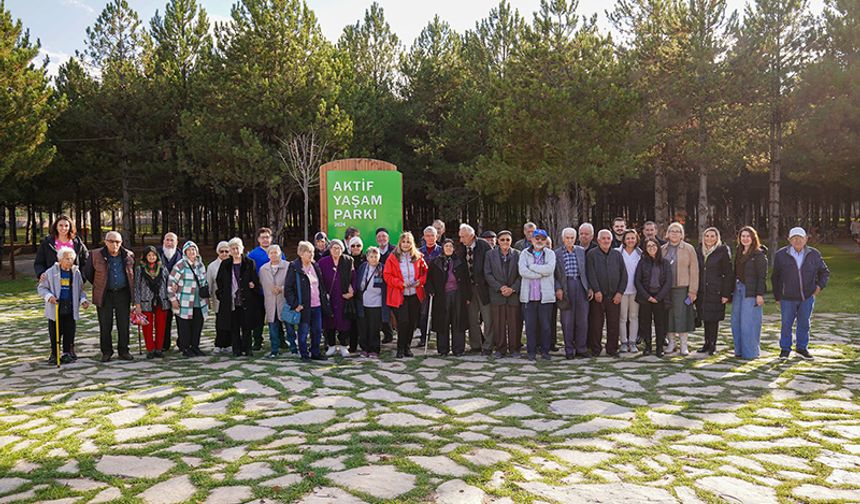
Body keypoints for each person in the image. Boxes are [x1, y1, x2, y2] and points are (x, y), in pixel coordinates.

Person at [772, 226, 830, 360]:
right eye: (794, 238)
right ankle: (785, 349)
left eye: (800, 238)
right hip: (787, 297)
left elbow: (824, 272)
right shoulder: (781, 254)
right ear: (789, 240)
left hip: (807, 296)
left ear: (806, 239)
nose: (797, 240)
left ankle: (801, 348)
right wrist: (777, 296)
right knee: (786, 323)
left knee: (804, 323)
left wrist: (819, 287)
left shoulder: (814, 254)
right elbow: (775, 277)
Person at [84, 231, 135, 363]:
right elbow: (89, 273)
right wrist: (100, 285)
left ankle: (124, 351)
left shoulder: (128, 255)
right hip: (104, 294)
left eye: (117, 242)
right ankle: (106, 352)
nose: (114, 244)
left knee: (123, 324)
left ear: (121, 243)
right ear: (105, 242)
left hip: (123, 293)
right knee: (105, 325)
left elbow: (132, 273)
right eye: (111, 241)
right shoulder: (95, 255)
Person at [37, 247, 89, 364]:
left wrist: (83, 300)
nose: (70, 261)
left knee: (69, 331)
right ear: (60, 260)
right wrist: (49, 297)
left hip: (70, 306)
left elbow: (80, 290)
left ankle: (66, 353)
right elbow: (42, 288)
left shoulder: (76, 273)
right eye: (67, 259)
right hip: (56, 307)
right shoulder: (50, 272)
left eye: (72, 259)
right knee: (55, 331)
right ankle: (54, 354)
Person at [285, 241, 331, 361]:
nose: (311, 254)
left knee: (317, 331)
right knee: (303, 332)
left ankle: (315, 352)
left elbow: (320, 284)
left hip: (317, 305)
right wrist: (295, 304)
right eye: (308, 252)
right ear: (300, 253)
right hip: (303, 306)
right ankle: (304, 354)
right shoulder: (294, 267)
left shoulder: (315, 266)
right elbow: (288, 288)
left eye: (312, 252)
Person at [384, 231, 428, 358]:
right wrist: (401, 283)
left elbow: (425, 272)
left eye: (408, 242)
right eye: (403, 242)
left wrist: (420, 281)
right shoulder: (392, 257)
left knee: (412, 323)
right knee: (403, 321)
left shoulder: (418, 256)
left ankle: (407, 347)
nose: (405, 244)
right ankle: (400, 348)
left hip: (415, 294)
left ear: (412, 243)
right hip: (399, 295)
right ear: (400, 243)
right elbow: (387, 276)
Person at [216, 237, 262, 357]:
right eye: (233, 248)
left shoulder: (249, 263)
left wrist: (253, 285)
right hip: (231, 302)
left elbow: (256, 280)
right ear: (230, 251)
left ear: (242, 249)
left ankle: (248, 349)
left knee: (247, 326)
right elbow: (219, 281)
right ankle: (236, 349)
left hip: (246, 300)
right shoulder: (225, 264)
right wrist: (223, 294)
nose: (235, 251)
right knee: (234, 327)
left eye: (237, 248)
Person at [426, 239, 470, 356]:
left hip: (458, 295)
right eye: (446, 246)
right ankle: (443, 349)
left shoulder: (460, 261)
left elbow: (466, 279)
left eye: (451, 246)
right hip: (442, 296)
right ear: (443, 248)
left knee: (458, 321)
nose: (449, 248)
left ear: (454, 248)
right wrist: (430, 289)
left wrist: (467, 296)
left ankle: (458, 349)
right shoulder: (435, 262)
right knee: (443, 322)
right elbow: (429, 279)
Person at [586, 230, 627, 357]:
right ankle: (596, 349)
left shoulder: (617, 255)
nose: (606, 241)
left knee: (613, 323)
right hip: (598, 296)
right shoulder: (592, 254)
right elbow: (590, 274)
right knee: (596, 324)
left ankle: (612, 349)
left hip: (614, 296)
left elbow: (624, 275)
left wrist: (620, 292)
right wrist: (596, 290)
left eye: (608, 238)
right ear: (598, 240)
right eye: (603, 238)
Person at [661, 222, 699, 356]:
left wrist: (693, 290)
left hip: (683, 288)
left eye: (678, 231)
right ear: (667, 234)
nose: (675, 233)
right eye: (672, 231)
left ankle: (683, 344)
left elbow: (694, 270)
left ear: (682, 234)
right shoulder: (663, 249)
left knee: (682, 316)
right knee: (669, 316)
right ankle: (671, 342)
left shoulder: (689, 249)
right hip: (666, 289)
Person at [518, 229, 556, 361]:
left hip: (545, 297)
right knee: (530, 326)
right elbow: (522, 271)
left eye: (542, 239)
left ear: (546, 241)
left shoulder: (550, 254)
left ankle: (545, 351)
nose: (539, 241)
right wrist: (540, 273)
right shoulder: (524, 253)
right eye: (537, 238)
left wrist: (532, 266)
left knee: (546, 326)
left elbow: (550, 269)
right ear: (532, 240)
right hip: (529, 296)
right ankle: (531, 352)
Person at [167, 241, 209, 358]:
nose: (192, 252)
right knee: (184, 327)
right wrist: (173, 300)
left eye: (194, 250)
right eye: (189, 250)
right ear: (185, 252)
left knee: (197, 326)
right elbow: (171, 283)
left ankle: (195, 346)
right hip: (184, 302)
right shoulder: (180, 265)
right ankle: (185, 348)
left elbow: (204, 281)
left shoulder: (200, 265)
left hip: (199, 301)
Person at [695, 227, 733, 355]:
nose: (709, 239)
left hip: (716, 290)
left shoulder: (722, 251)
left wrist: (726, 294)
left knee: (714, 318)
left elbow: (728, 274)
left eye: (712, 236)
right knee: (705, 317)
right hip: (702, 291)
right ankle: (706, 342)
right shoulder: (699, 251)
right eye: (707, 236)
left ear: (717, 238)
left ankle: (713, 344)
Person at [731, 226, 767, 360]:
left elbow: (762, 276)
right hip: (738, 289)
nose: (745, 239)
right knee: (736, 322)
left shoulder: (759, 255)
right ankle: (739, 351)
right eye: (742, 236)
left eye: (748, 236)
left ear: (753, 238)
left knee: (749, 322)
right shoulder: (739, 252)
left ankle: (750, 353)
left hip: (751, 292)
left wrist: (760, 294)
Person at [554, 227, 590, 359]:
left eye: (572, 238)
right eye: (567, 238)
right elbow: (554, 274)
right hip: (566, 286)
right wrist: (558, 288)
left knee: (582, 319)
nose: (569, 240)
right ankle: (569, 349)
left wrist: (589, 287)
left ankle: (581, 348)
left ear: (575, 239)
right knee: (567, 320)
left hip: (580, 285)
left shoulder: (581, 251)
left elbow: (586, 271)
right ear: (563, 239)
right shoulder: (556, 253)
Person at [485, 230, 522, 358]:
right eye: (502, 240)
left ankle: (514, 349)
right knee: (498, 323)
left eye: (508, 239)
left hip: (513, 294)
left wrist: (512, 289)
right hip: (497, 294)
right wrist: (500, 288)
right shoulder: (490, 255)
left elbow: (521, 275)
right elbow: (487, 274)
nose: (505, 242)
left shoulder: (518, 254)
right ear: (498, 241)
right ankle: (500, 349)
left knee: (514, 323)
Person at [458, 223, 493, 355]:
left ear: (471, 236)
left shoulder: (483, 245)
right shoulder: (461, 248)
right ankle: (475, 345)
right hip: (469, 288)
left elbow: (490, 265)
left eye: (463, 237)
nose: (461, 240)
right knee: (472, 318)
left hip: (484, 288)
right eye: (460, 237)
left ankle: (488, 346)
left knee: (488, 318)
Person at [634, 238, 671, 356]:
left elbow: (668, 282)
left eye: (653, 245)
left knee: (660, 323)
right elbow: (637, 281)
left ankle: (659, 348)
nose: (651, 248)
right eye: (648, 246)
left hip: (660, 298)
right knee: (646, 323)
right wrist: (648, 297)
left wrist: (658, 297)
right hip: (646, 297)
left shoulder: (665, 263)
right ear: (645, 249)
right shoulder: (642, 262)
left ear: (658, 247)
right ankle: (648, 346)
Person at [318, 239, 355, 357]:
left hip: (343, 297)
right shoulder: (323, 262)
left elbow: (354, 278)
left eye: (339, 248)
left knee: (344, 322)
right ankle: (332, 346)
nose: (336, 250)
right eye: (334, 248)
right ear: (330, 249)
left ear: (342, 249)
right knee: (329, 322)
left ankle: (344, 346)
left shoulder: (348, 261)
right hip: (329, 297)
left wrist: (352, 291)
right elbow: (319, 279)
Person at [248, 227, 282, 351]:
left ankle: (281, 340)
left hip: (277, 292)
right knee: (258, 317)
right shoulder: (253, 254)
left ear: (271, 238)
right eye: (263, 237)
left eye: (267, 237)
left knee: (278, 316)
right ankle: (257, 341)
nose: (265, 240)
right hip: (260, 292)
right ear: (258, 239)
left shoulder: (278, 252)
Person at [134, 246, 170, 359]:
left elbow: (168, 284)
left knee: (161, 325)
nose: (151, 257)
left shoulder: (163, 269)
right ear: (145, 257)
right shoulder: (140, 269)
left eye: (153, 255)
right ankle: (150, 349)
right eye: (149, 255)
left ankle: (159, 348)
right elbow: (137, 287)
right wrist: (137, 304)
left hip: (161, 301)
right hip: (146, 301)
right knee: (147, 326)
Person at [260, 245, 295, 358]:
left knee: (289, 327)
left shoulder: (289, 266)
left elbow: (294, 284)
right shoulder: (263, 269)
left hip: (285, 301)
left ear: (280, 253)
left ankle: (294, 348)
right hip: (271, 303)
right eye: (271, 253)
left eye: (276, 252)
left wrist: (282, 289)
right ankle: (274, 350)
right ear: (268, 255)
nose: (274, 255)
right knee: (273, 328)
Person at [34, 215, 89, 282]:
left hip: (73, 281)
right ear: (56, 227)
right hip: (52, 281)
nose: (63, 228)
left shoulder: (77, 243)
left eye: (66, 226)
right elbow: (39, 262)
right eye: (60, 225)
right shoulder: (47, 243)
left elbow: (86, 261)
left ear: (70, 227)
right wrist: (41, 273)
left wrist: (82, 277)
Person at [354, 246, 386, 358]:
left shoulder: (383, 268)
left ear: (379, 257)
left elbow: (385, 286)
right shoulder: (363, 267)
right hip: (363, 302)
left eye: (375, 256)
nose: (373, 259)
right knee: (363, 327)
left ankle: (374, 349)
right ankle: (364, 348)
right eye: (371, 256)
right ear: (367, 257)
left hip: (376, 303)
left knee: (374, 328)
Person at [418, 225, 443, 346]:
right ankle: (424, 338)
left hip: (439, 286)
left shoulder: (442, 250)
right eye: (427, 236)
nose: (430, 238)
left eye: (432, 235)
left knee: (439, 313)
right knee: (423, 314)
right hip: (423, 286)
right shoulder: (418, 252)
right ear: (424, 237)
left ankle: (440, 338)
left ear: (437, 236)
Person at [618, 229, 641, 353]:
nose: (630, 240)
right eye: (628, 238)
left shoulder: (640, 253)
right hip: (622, 291)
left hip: (635, 290)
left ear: (636, 239)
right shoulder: (617, 252)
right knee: (622, 317)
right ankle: (623, 342)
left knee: (634, 317)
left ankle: (632, 342)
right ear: (624, 240)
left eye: (633, 238)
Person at [157, 232, 181, 352]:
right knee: (164, 321)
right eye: (167, 240)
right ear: (163, 242)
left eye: (172, 240)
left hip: (179, 294)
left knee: (181, 321)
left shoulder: (182, 255)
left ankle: (182, 343)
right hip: (161, 295)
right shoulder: (156, 254)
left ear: (176, 243)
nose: (169, 243)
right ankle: (164, 344)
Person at [207, 241, 232, 354]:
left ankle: (229, 344)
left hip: (232, 299)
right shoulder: (212, 266)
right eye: (222, 251)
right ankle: (219, 344)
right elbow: (209, 282)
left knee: (231, 322)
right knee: (220, 322)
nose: (224, 253)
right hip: (218, 299)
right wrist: (208, 299)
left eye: (227, 251)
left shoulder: (233, 263)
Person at [376, 228, 396, 344]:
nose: (381, 239)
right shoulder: (375, 252)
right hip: (380, 285)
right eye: (379, 237)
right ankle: (387, 334)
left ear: (388, 238)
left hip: (393, 284)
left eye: (384, 236)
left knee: (395, 311)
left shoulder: (394, 251)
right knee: (383, 310)